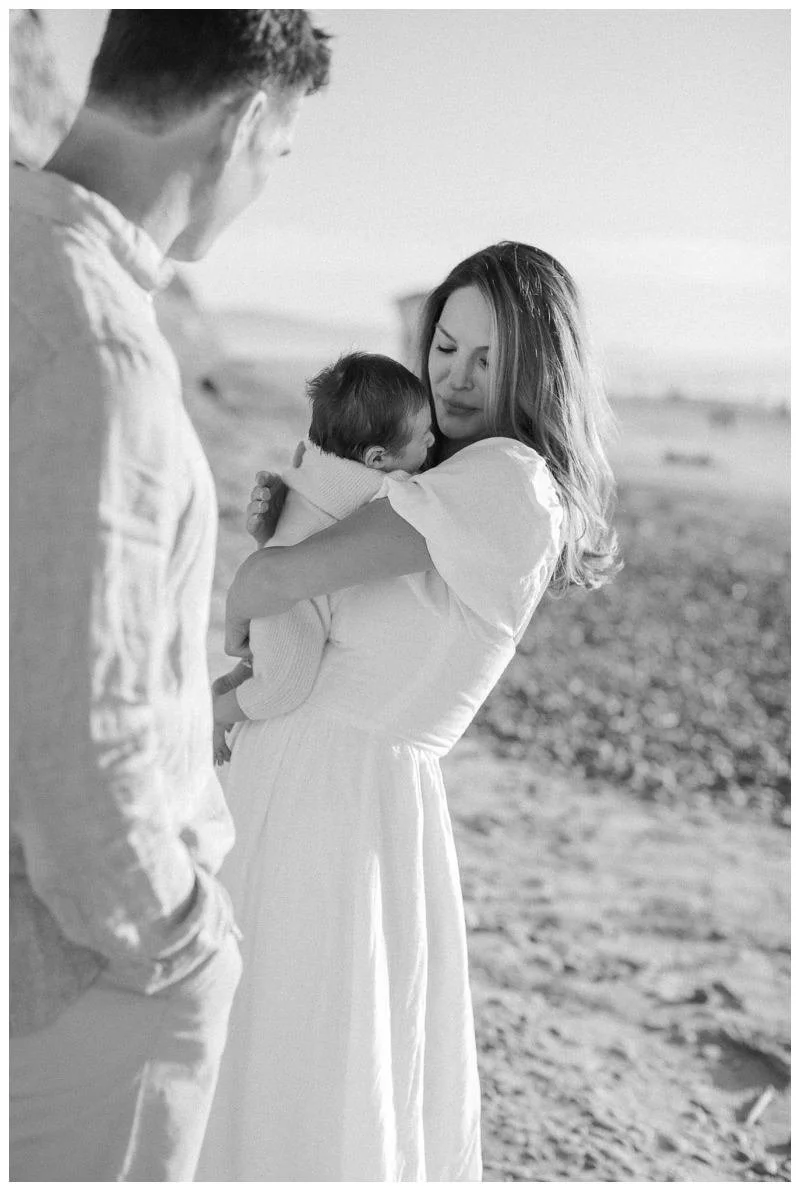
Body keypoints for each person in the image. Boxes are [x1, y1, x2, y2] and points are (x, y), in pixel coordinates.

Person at [207, 242, 620, 1181]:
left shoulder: (506, 481)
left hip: (337, 799)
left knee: (286, 1070)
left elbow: (277, 573)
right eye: (445, 346)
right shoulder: (449, 483)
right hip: (320, 785)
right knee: (276, 1064)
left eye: (489, 357)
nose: (457, 378)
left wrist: (246, 593)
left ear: (538, 366)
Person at [9, 10, 330, 1181]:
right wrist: (179, 944)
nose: (261, 184)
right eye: (277, 151)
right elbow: (70, 740)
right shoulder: (94, 347)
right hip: (79, 978)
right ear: (241, 117)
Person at [210, 351, 435, 765]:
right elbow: (408, 505)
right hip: (293, 602)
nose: (432, 442)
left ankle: (227, 687)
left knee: (266, 660)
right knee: (283, 687)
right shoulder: (374, 488)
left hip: (283, 581)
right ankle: (217, 712)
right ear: (376, 460)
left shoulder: (314, 459)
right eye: (423, 436)